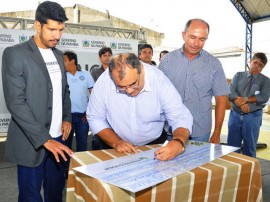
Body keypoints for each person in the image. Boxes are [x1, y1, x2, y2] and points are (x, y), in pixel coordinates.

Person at [1, 1, 73, 201]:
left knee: (55, 193)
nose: (57, 35)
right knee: (30, 196)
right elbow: (16, 103)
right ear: (38, 26)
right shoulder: (15, 54)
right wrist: (45, 139)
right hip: (33, 142)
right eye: (52, 29)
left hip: (59, 139)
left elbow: (64, 91)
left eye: (60, 30)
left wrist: (67, 118)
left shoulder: (59, 56)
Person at [87, 53, 193, 160]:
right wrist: (116, 142)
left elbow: (180, 116)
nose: (129, 91)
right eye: (121, 87)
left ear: (141, 70)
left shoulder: (158, 79)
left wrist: (178, 142)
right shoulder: (104, 81)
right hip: (113, 144)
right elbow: (95, 117)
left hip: (153, 144)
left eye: (133, 84)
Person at [158, 18, 229, 144]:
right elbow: (156, 95)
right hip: (171, 130)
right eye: (192, 37)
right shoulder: (167, 61)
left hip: (200, 132)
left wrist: (217, 133)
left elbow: (221, 100)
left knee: (199, 164)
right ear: (183, 35)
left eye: (202, 39)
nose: (196, 43)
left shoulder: (214, 64)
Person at [227, 52, 270, 157]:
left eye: (260, 65)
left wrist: (245, 100)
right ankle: (233, 171)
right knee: (232, 147)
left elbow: (264, 97)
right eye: (255, 62)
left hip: (253, 117)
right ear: (250, 62)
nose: (257, 66)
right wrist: (241, 104)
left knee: (250, 147)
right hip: (235, 115)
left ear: (263, 68)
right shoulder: (238, 75)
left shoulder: (266, 81)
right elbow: (230, 92)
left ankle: (248, 172)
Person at [63, 50, 95, 152]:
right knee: (65, 145)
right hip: (67, 117)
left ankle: (81, 167)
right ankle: (66, 168)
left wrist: (89, 112)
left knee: (82, 145)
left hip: (82, 117)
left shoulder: (86, 74)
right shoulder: (62, 75)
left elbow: (94, 94)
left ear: (72, 61)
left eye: (64, 60)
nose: (62, 62)